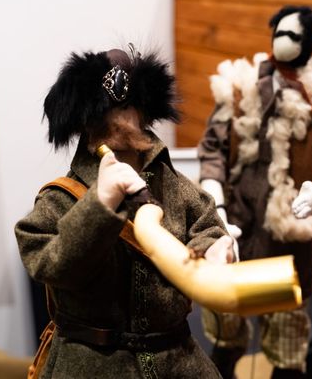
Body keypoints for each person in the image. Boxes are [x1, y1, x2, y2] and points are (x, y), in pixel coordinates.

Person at [15, 46, 234, 378]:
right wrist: (99, 205)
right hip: (92, 365)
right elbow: (46, 262)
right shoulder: (60, 199)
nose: (122, 117)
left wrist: (214, 249)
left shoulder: (174, 185)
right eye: (110, 108)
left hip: (178, 360)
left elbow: (207, 224)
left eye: (131, 104)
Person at [198, 6, 312, 378]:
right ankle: (226, 357)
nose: (282, 40)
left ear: (307, 42)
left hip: (286, 246)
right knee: (226, 332)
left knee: (286, 340)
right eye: (278, 31)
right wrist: (218, 210)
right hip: (235, 231)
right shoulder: (241, 88)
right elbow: (212, 151)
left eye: (292, 35)